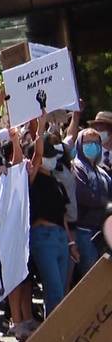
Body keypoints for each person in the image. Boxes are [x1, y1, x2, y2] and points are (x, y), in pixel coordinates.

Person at [27, 113, 78, 317]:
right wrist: (40, 125)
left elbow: (63, 216)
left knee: (62, 292)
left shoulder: (57, 183)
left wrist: (71, 243)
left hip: (59, 238)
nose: (53, 158)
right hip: (43, 237)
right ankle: (53, 338)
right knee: (54, 290)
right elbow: (37, 156)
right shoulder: (32, 179)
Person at [71, 128, 111, 275]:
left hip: (101, 232)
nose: (92, 146)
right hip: (84, 232)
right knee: (91, 275)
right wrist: (106, 204)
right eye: (87, 142)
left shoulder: (102, 172)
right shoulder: (77, 167)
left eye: (95, 142)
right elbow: (82, 195)